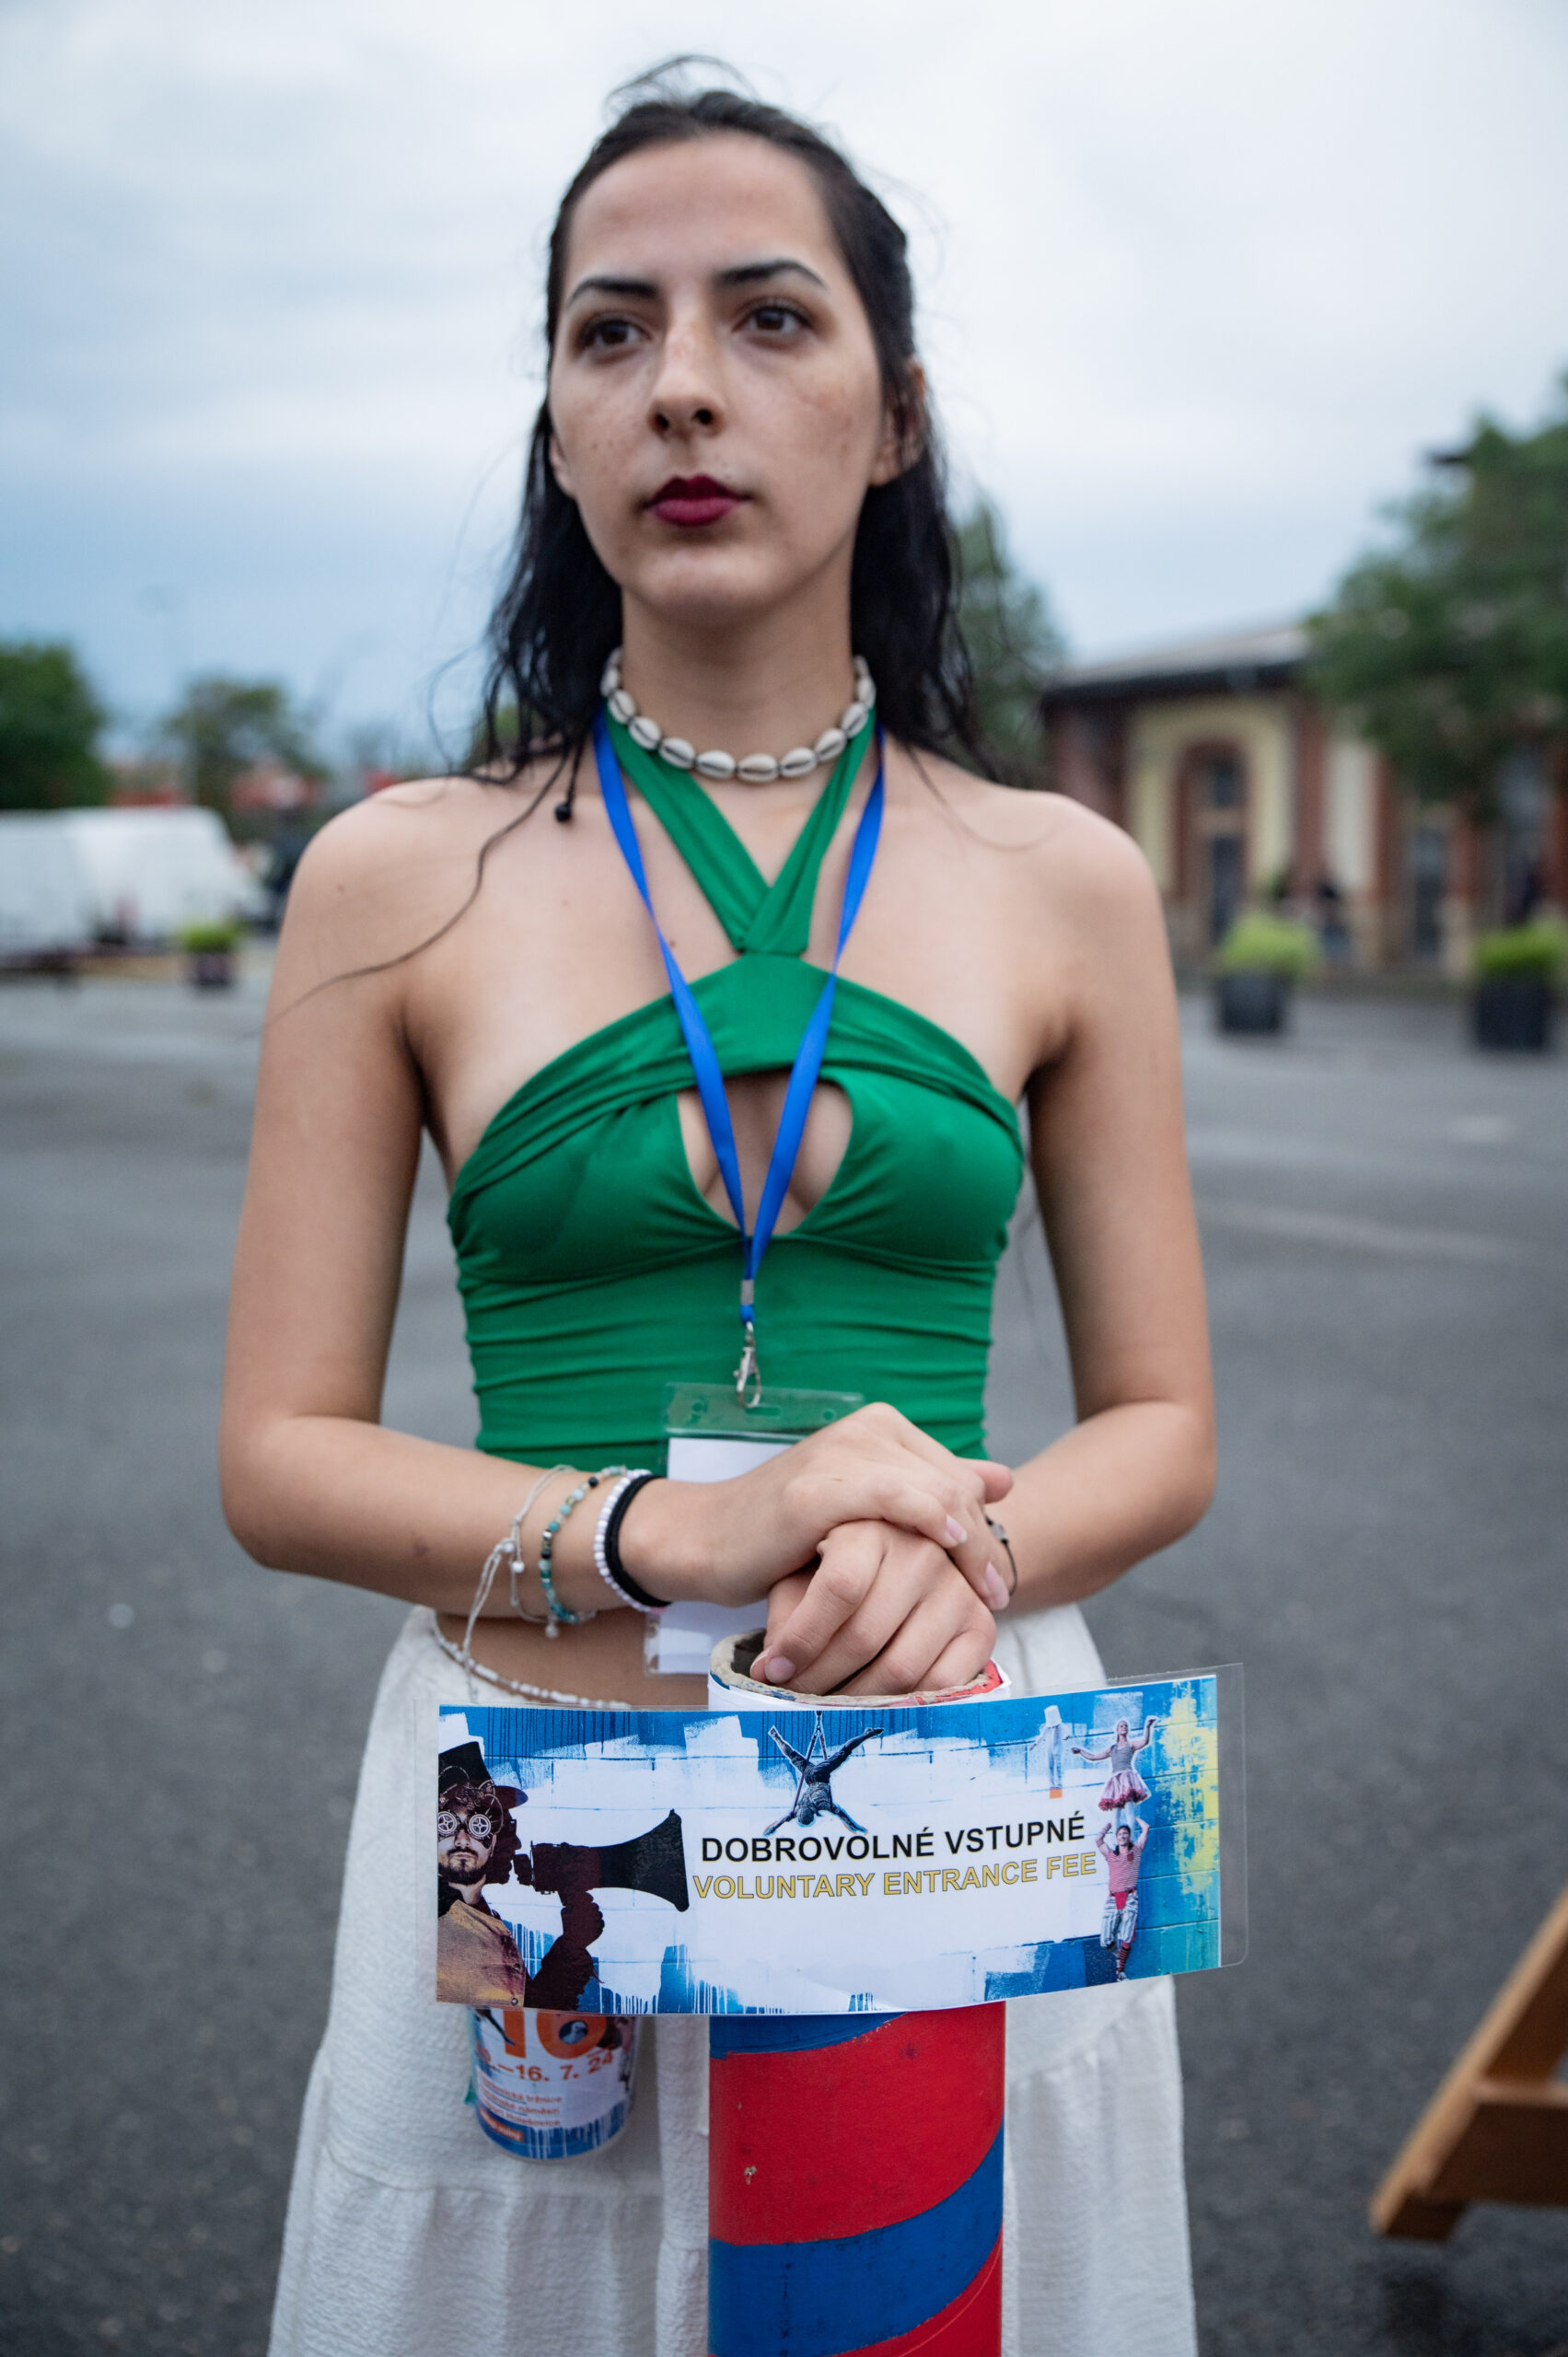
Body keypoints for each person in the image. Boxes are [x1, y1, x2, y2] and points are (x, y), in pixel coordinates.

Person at [222, 69, 1214, 2357]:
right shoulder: (393, 875)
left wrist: (950, 1550)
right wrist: (669, 1531)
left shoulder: (1063, 877)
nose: (681, 382)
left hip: (952, 1787)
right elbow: (275, 1456)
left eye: (768, 317)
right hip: (537, 1816)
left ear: (895, 417)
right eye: (611, 331)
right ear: (558, 429)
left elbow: (1163, 1421)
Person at [436, 1739, 530, 2006]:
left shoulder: (488, 1913)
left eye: (478, 1825)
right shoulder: (428, 1919)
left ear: (494, 1839)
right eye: (447, 1824)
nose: (462, 1840)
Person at [1074, 1713, 1157, 1830]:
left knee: (1129, 1810)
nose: (1124, 1727)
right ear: (1117, 1730)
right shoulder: (1112, 1749)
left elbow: (1145, 1741)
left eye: (1126, 1726)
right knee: (1115, 1814)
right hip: (1116, 1782)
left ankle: (1131, 1837)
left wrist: (1147, 1726)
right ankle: (1116, 1839)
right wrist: (1080, 1751)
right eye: (1121, 1726)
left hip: (1126, 1779)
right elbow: (1094, 1757)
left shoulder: (1131, 1745)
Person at [1098, 1821, 1148, 1981]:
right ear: (1116, 1838)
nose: (1122, 1836)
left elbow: (1146, 1828)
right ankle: (1119, 1956)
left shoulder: (1136, 1851)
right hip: (1113, 1898)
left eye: (1125, 1833)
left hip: (1130, 1897)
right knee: (1105, 1941)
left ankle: (1120, 1971)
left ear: (1129, 1836)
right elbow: (1098, 1840)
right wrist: (1108, 1825)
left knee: (1126, 1936)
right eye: (1120, 1834)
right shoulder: (1111, 1855)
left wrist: (1131, 1811)